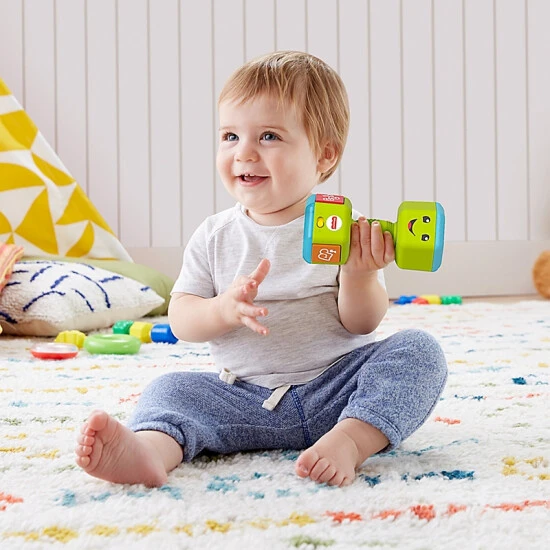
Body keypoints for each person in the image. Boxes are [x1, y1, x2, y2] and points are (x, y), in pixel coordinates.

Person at [75, 51, 447, 488]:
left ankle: (351, 441)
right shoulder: (214, 235)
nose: (244, 152)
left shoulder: (345, 227)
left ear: (324, 155)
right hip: (241, 398)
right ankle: (150, 453)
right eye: (230, 136)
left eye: (269, 136)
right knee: (170, 389)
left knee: (419, 351)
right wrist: (222, 309)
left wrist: (360, 275)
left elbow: (362, 323)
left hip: (337, 393)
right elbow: (182, 321)